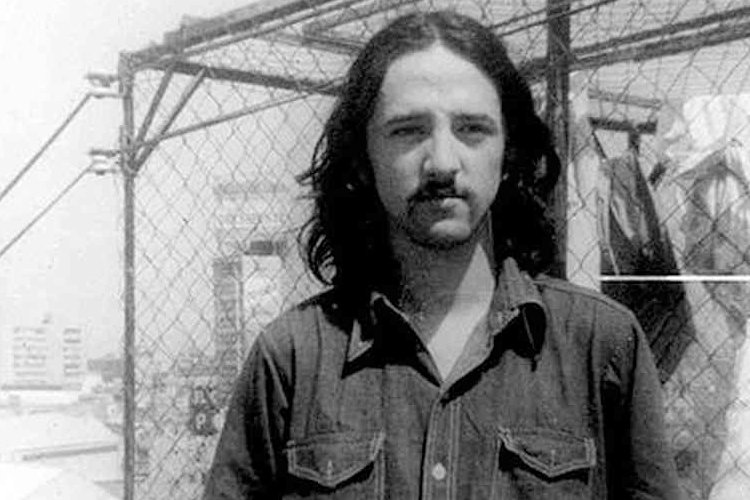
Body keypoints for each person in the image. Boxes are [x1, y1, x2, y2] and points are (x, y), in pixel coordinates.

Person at [203, 10, 682, 499]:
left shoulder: (602, 347)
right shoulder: (291, 359)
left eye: (472, 129)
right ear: (364, 157)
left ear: (508, 152)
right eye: (408, 130)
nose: (443, 163)